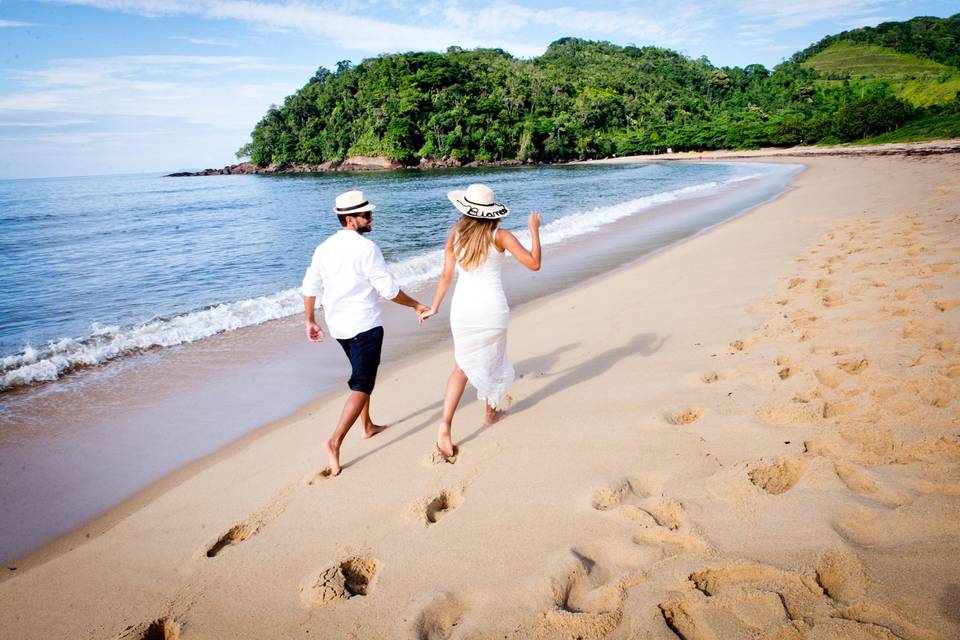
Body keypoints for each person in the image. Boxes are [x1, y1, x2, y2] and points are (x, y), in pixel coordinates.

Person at [302, 189, 429, 476]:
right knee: (362, 383)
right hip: (364, 325)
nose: (371, 218)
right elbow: (388, 290)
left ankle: (368, 425)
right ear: (349, 219)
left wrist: (310, 319)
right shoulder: (366, 249)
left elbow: (310, 285)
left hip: (339, 326)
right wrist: (416, 305)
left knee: (362, 375)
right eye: (366, 215)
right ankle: (334, 442)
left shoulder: (324, 247)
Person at [418, 183, 541, 458]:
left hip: (462, 311)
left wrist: (434, 307)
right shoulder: (501, 236)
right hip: (492, 309)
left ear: (466, 211)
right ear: (492, 212)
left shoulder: (455, 235)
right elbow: (534, 264)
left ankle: (445, 425)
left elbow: (446, 277)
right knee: (495, 358)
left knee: (460, 367)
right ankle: (490, 414)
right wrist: (534, 230)